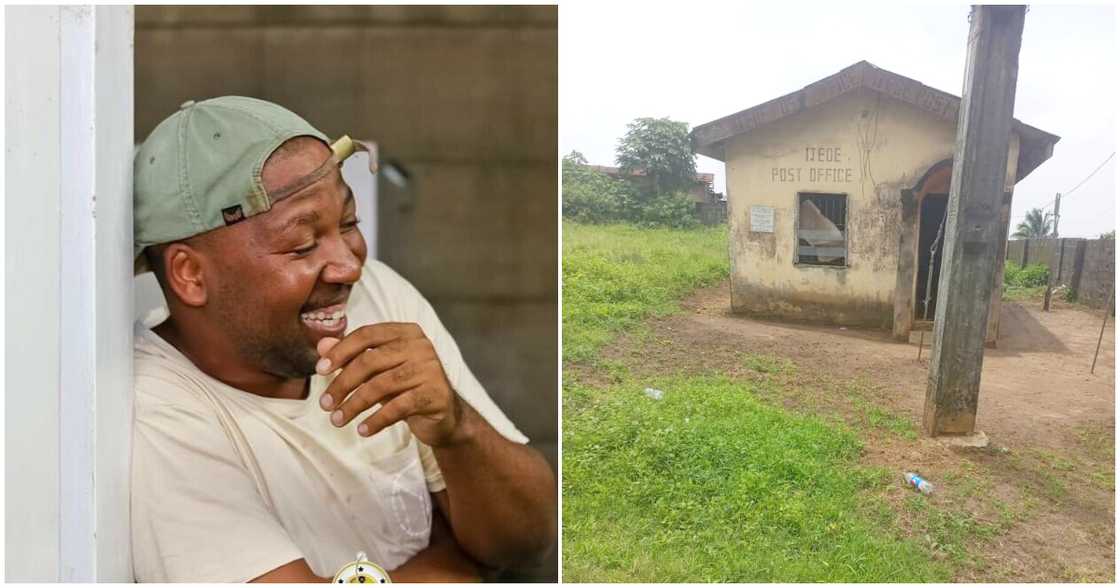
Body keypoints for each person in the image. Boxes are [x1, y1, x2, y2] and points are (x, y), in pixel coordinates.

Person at [130, 96, 556, 582]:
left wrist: (457, 429)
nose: (350, 265)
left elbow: (528, 539)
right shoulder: (159, 412)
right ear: (190, 275)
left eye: (348, 224)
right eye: (303, 244)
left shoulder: (377, 294)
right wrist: (458, 558)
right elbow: (485, 556)